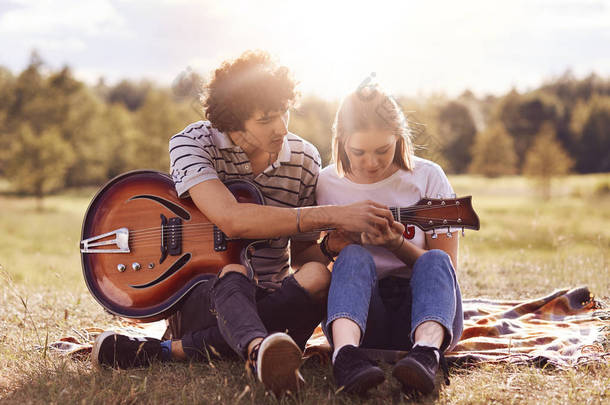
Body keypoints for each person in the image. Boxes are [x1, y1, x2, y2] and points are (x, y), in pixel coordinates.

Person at [90, 50, 394, 396]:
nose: (281, 128)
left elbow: (303, 257)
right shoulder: (193, 143)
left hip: (275, 298)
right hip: (202, 295)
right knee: (232, 272)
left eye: (284, 112)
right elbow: (232, 220)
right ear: (233, 124)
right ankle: (255, 350)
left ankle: (188, 350)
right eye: (266, 120)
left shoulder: (305, 158)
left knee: (320, 276)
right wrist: (333, 214)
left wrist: (328, 246)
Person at [315, 85, 464, 396]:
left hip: (426, 310)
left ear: (399, 138)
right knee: (354, 256)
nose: (371, 162)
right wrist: (333, 246)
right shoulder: (327, 183)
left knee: (435, 260)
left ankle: (425, 356)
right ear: (342, 142)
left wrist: (394, 244)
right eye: (358, 152)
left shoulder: (428, 176)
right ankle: (345, 357)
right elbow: (308, 261)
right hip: (362, 313)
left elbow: (445, 269)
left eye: (383, 150)